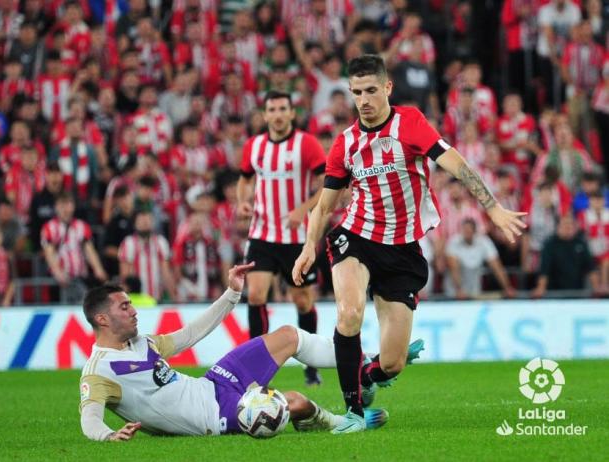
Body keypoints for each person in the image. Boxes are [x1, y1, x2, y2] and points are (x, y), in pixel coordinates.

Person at [292, 54, 526, 433]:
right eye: (356, 93)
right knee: (349, 314)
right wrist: (308, 247)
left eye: (370, 90)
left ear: (387, 88)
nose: (363, 100)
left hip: (402, 249)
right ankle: (352, 414)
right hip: (356, 237)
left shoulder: (411, 124)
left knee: (392, 364)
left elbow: (457, 164)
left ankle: (367, 375)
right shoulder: (345, 143)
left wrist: (493, 208)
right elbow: (324, 206)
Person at [78, 262, 400, 441]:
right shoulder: (100, 371)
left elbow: (190, 335)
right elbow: (89, 418)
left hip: (213, 384)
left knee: (288, 336)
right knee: (296, 401)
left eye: (131, 304)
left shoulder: (141, 342)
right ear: (102, 319)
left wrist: (232, 294)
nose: (133, 311)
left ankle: (367, 364)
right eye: (124, 307)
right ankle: (337, 422)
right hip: (213, 416)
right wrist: (108, 436)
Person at [236, 90, 326, 386]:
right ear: (265, 115)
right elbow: (245, 178)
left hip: (298, 237)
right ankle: (256, 367)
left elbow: (329, 183)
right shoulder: (255, 145)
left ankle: (311, 365)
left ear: (291, 113)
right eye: (271, 109)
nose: (276, 114)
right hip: (262, 233)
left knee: (301, 301)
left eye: (282, 108)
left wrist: (304, 208)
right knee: (256, 295)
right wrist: (243, 200)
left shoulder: (307, 144)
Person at [531, 214, 601, 297]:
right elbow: (544, 270)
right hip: (554, 294)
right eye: (565, 224)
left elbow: (591, 268)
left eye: (571, 224)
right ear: (558, 227)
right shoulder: (550, 244)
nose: (568, 227)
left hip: (577, 294)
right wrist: (541, 288)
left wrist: (596, 288)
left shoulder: (581, 243)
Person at [444, 218, 516, 299]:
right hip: (454, 294)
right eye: (465, 230)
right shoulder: (453, 242)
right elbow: (453, 267)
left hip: (475, 293)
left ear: (474, 231)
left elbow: (496, 266)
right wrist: (459, 289)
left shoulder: (484, 242)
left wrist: (507, 287)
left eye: (469, 230)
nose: (466, 233)